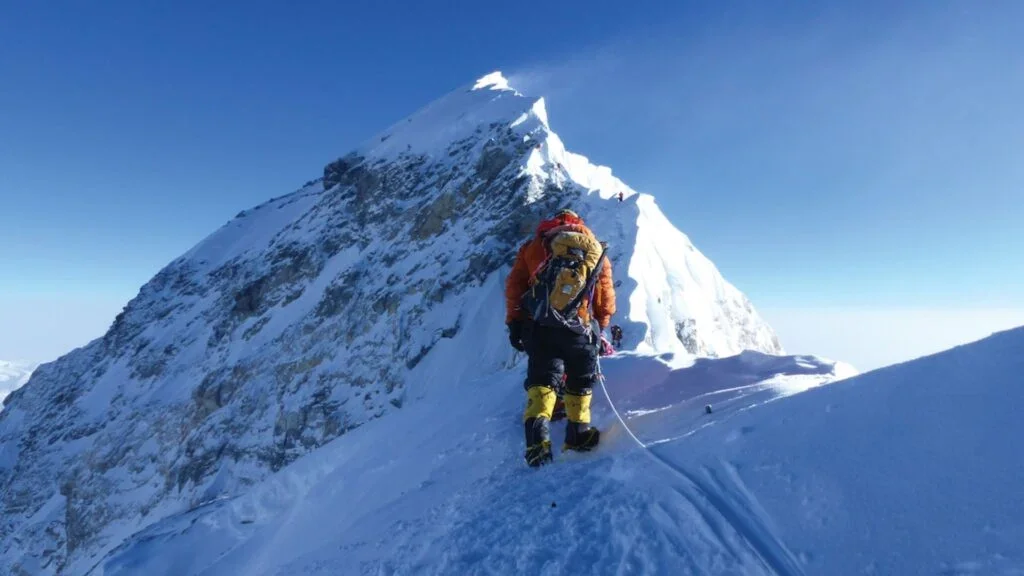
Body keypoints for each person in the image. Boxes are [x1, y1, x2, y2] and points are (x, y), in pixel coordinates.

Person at [505, 208, 616, 467]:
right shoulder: (594, 249)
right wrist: (601, 323)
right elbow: (605, 296)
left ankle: (537, 445)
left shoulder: (533, 247)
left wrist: (514, 323)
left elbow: (515, 286)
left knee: (542, 380)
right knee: (580, 381)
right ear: (579, 224)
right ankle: (578, 436)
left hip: (540, 326)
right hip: (579, 327)